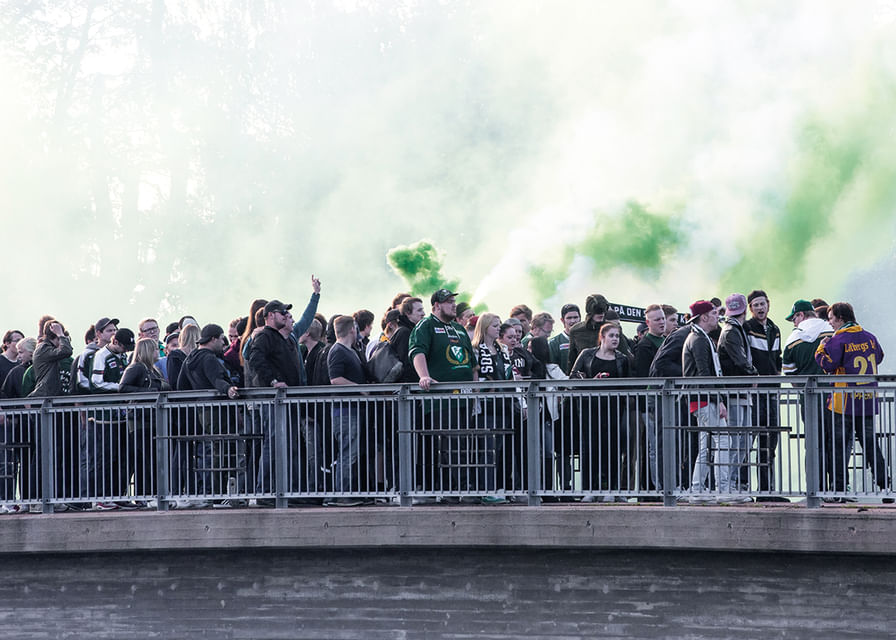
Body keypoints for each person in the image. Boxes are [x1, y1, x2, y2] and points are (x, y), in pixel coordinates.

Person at [815, 302, 890, 500]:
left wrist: (820, 349)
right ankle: (886, 486)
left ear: (840, 318)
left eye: (831, 319)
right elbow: (880, 357)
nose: (830, 323)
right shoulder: (870, 337)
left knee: (838, 448)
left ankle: (840, 489)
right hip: (867, 400)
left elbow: (828, 364)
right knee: (871, 446)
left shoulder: (838, 339)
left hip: (843, 403)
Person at [409, 288, 476, 493]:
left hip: (464, 397)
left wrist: (475, 391)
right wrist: (424, 376)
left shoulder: (459, 328)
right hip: (441, 399)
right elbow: (417, 351)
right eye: (448, 302)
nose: (454, 305)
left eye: (454, 301)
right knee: (452, 444)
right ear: (436, 306)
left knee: (464, 443)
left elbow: (472, 363)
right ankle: (458, 488)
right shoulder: (426, 325)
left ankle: (459, 487)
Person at [178, 324, 240, 507]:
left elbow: (181, 386)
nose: (223, 343)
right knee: (221, 450)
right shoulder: (209, 358)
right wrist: (228, 389)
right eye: (221, 339)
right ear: (213, 339)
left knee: (212, 450)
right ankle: (218, 494)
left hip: (202, 411)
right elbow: (217, 379)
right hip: (218, 410)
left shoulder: (190, 358)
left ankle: (212, 492)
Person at [570, 321, 630, 499]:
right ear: (602, 337)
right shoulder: (587, 354)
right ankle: (589, 489)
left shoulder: (622, 359)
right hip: (589, 408)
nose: (615, 339)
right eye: (611, 335)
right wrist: (591, 381)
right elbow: (573, 377)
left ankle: (612, 489)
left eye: (617, 336)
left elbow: (627, 384)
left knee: (612, 447)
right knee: (589, 447)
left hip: (613, 408)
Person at [682, 300, 730, 501]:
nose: (718, 316)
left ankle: (697, 489)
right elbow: (704, 373)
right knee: (723, 440)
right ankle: (723, 490)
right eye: (714, 313)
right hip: (703, 398)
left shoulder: (698, 337)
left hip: (699, 398)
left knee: (706, 445)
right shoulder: (699, 340)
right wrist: (718, 399)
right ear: (704, 317)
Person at [119, 337, 170, 505]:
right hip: (140, 421)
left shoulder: (153, 370)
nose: (158, 352)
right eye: (155, 349)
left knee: (151, 458)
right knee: (146, 459)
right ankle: (147, 495)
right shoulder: (136, 368)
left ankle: (148, 495)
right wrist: (148, 392)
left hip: (153, 420)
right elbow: (123, 388)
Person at [716, 293, 757, 501]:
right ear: (745, 310)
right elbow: (740, 360)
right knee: (736, 440)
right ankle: (727, 484)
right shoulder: (732, 331)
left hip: (739, 392)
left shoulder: (732, 329)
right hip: (735, 392)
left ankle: (730, 483)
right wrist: (754, 374)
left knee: (743, 439)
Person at [743, 290, 783, 499]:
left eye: (762, 304)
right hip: (755, 392)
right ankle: (742, 487)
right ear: (750, 308)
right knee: (748, 441)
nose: (760, 308)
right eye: (755, 305)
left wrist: (778, 377)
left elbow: (778, 358)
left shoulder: (775, 329)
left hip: (772, 391)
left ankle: (767, 490)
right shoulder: (747, 327)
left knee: (770, 442)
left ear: (768, 304)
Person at [326, 315, 368, 506]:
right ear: (352, 329)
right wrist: (360, 388)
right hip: (344, 411)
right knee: (347, 452)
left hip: (351, 410)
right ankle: (342, 494)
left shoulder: (350, 350)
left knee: (351, 452)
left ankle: (347, 492)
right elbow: (335, 379)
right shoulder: (338, 351)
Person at [633, 304, 665, 493]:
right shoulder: (644, 346)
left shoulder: (666, 340)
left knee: (664, 445)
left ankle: (664, 484)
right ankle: (655, 487)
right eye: (657, 319)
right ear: (648, 322)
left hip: (664, 400)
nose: (661, 322)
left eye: (662, 318)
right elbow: (643, 376)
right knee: (654, 446)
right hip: (651, 402)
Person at [566, 294, 609, 375]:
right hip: (585, 378)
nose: (601, 314)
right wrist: (571, 379)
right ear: (590, 311)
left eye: (604, 310)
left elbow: (624, 357)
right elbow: (572, 360)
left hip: (610, 377)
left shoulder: (612, 328)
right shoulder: (576, 330)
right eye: (598, 311)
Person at [548, 303, 580, 373]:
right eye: (569, 318)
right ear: (562, 320)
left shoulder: (587, 339)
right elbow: (551, 369)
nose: (573, 321)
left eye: (575, 317)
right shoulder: (554, 343)